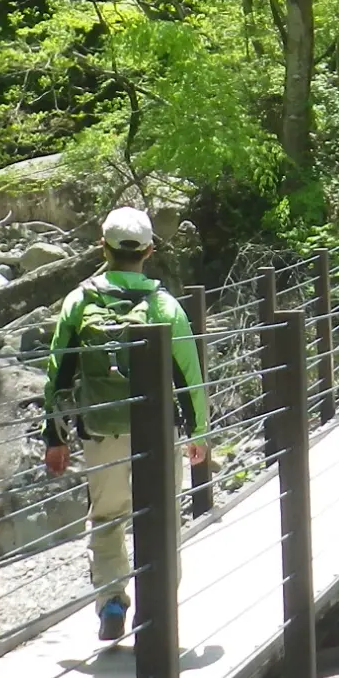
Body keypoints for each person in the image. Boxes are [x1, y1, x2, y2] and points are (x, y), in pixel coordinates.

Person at [42, 206, 211, 643]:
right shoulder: (165, 306)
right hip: (157, 432)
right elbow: (188, 376)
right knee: (163, 517)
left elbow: (58, 373)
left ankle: (113, 601)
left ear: (104, 248)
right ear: (149, 251)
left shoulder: (79, 302)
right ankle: (157, 610)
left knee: (106, 516)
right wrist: (199, 433)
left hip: (101, 430)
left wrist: (54, 437)